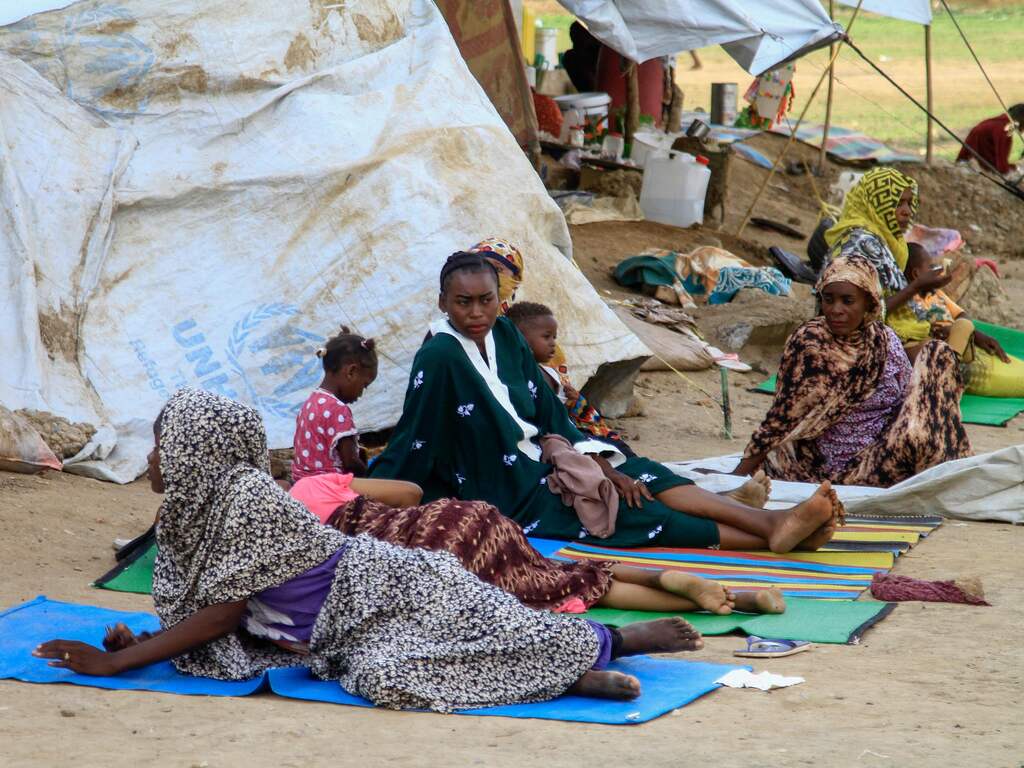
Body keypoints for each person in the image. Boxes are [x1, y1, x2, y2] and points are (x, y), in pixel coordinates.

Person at [34, 389, 713, 709]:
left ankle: (615, 643)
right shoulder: (194, 510)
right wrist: (142, 642)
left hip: (387, 589)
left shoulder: (244, 500)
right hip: (343, 634)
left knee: (500, 623)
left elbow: (219, 617)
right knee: (385, 676)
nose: (153, 456)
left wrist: (114, 664)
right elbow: (211, 608)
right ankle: (570, 672)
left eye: (161, 441)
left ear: (195, 450)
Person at [370, 251, 841, 553]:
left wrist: (597, 462)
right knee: (634, 514)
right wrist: (362, 489)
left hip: (550, 457)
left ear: (499, 299)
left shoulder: (507, 334)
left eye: (485, 300)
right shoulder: (439, 356)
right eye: (463, 303)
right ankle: (771, 535)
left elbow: (548, 412)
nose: (476, 313)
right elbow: (417, 436)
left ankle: (773, 523)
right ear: (442, 303)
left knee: (644, 474)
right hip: (507, 485)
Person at [290, 472, 786, 616]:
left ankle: (717, 600)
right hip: (459, 517)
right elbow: (411, 494)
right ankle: (733, 596)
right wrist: (351, 478)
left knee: (560, 593)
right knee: (555, 571)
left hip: (426, 556)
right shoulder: (313, 485)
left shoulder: (284, 528)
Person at [734, 256, 972, 488]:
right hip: (843, 466)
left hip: (890, 445)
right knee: (921, 433)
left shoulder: (882, 339)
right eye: (829, 299)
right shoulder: (811, 342)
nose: (836, 310)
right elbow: (783, 417)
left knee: (938, 356)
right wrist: (738, 474)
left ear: (869, 303)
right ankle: (938, 468)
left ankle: (939, 465)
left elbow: (910, 401)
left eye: (848, 301)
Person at [821, 167, 954, 345]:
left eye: (909, 203)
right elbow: (863, 314)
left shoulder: (886, 242)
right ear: (874, 205)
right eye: (898, 204)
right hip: (856, 340)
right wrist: (917, 286)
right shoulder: (861, 244)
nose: (907, 211)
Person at [900, 244, 1024, 397]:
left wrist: (971, 333)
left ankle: (950, 368)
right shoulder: (908, 301)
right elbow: (918, 331)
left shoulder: (936, 293)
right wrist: (943, 330)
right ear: (916, 273)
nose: (936, 270)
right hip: (942, 348)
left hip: (959, 344)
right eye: (931, 267)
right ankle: (949, 373)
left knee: (966, 327)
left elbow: (961, 315)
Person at [292, 327, 376, 480]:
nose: (361, 393)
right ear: (351, 372)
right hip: (329, 487)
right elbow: (350, 463)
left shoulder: (311, 402)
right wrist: (370, 478)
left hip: (303, 485)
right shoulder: (338, 409)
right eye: (364, 385)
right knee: (407, 492)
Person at [956, 105, 1024, 176]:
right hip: (973, 168)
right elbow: (1002, 167)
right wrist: (1015, 170)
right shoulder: (1004, 129)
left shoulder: (995, 122)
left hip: (966, 162)